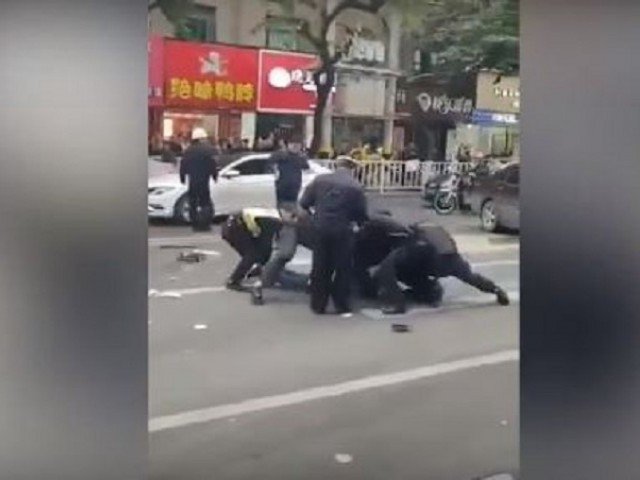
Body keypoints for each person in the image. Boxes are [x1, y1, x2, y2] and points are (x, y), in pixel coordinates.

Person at [374, 223, 510, 314]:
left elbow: (389, 266)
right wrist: (495, 290)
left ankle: (414, 297)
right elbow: (470, 276)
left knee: (397, 267)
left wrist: (397, 303)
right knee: (470, 277)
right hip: (450, 257)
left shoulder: (413, 236)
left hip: (433, 258)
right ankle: (497, 290)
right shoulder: (431, 231)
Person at [299, 157, 368, 315]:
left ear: (336, 167)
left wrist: (315, 219)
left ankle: (318, 305)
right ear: (351, 169)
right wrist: (357, 225)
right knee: (342, 268)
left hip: (320, 228)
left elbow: (304, 204)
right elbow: (361, 215)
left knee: (320, 266)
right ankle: (341, 305)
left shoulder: (319, 180)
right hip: (342, 231)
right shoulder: (356, 186)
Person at [250, 138, 307, 304]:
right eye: (293, 144)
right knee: (285, 251)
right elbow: (272, 175)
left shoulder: (298, 161)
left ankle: (264, 273)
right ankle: (261, 283)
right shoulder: (280, 158)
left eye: (298, 145)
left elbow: (304, 168)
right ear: (287, 145)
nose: (296, 147)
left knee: (286, 249)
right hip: (284, 205)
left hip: (293, 204)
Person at [179, 127, 218, 232]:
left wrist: (182, 178)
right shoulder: (208, 150)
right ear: (201, 138)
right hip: (204, 181)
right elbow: (212, 164)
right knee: (205, 202)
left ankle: (195, 224)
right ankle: (205, 225)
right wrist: (215, 176)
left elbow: (183, 165)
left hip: (193, 181)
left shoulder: (188, 150)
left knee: (193, 203)